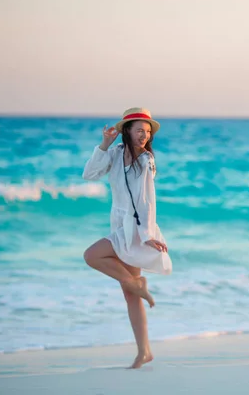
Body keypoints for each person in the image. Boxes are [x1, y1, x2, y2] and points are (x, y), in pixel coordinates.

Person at [82, 107, 172, 369]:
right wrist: (104, 144)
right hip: (120, 223)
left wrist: (147, 235)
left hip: (135, 228)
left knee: (91, 255)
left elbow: (147, 201)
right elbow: (89, 174)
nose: (144, 135)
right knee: (131, 293)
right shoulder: (116, 153)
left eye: (147, 132)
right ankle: (144, 351)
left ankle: (136, 284)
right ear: (127, 131)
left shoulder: (146, 160)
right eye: (139, 130)